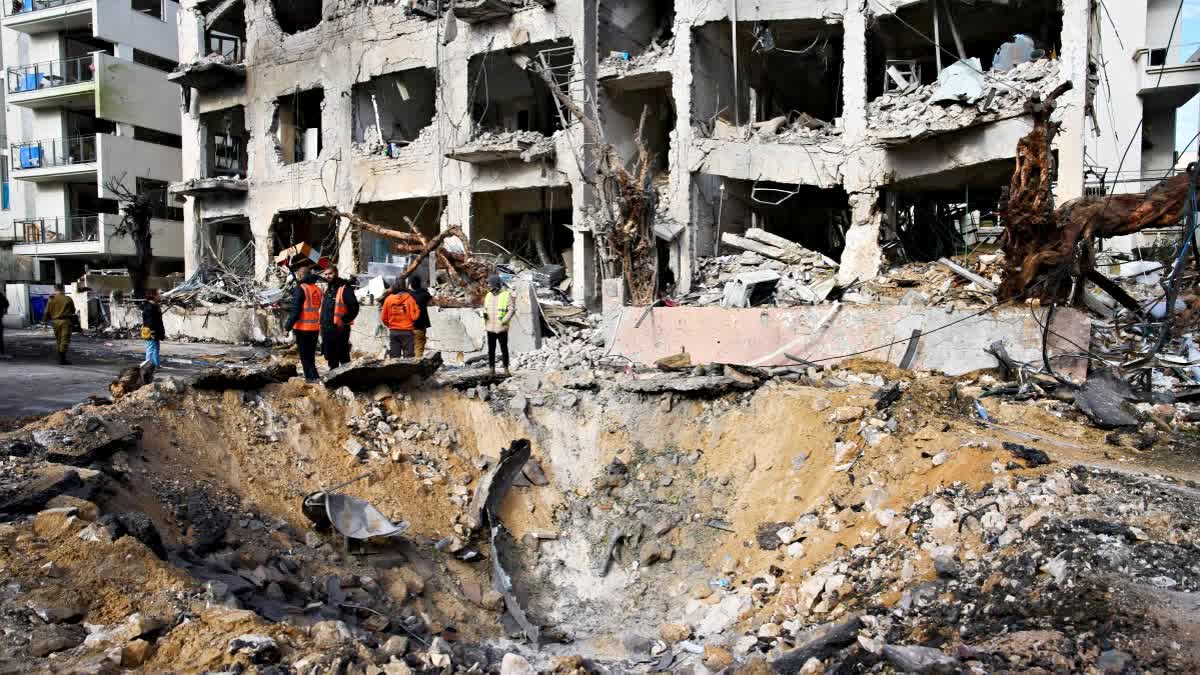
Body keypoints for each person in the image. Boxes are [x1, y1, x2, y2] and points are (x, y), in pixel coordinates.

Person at [284, 261, 323, 382]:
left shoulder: (301, 288)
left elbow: (295, 311)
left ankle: (311, 380)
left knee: (305, 357)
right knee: (310, 356)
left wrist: (287, 327)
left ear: (301, 275)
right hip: (314, 328)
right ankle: (314, 377)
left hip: (302, 328)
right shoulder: (316, 289)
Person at [319, 264, 359, 370]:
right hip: (327, 329)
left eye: (330, 274)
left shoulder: (344, 288)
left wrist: (344, 320)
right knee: (331, 357)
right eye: (326, 274)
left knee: (343, 356)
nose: (327, 276)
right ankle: (334, 380)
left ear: (336, 273)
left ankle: (348, 380)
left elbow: (354, 307)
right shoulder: (328, 289)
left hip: (340, 329)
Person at [483, 275, 514, 376]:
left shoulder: (506, 295)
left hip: (501, 328)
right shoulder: (488, 295)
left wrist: (504, 321)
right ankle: (491, 369)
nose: (488, 286)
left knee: (504, 349)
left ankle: (506, 369)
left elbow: (511, 310)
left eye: (490, 284)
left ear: (495, 284)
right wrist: (484, 319)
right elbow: (485, 309)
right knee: (491, 350)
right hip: (490, 328)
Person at [380, 277, 419, 358]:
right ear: (404, 286)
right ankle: (407, 371)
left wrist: (390, 325)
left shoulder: (388, 299)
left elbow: (383, 317)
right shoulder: (410, 299)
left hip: (394, 332)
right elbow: (414, 317)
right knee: (408, 358)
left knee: (394, 357)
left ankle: (394, 371)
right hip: (407, 332)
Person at [44, 284, 76, 365]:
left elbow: (47, 312)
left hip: (55, 322)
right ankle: (62, 359)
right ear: (63, 289)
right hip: (65, 321)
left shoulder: (51, 299)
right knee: (64, 339)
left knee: (58, 339)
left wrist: (45, 322)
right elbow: (73, 310)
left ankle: (60, 357)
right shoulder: (68, 299)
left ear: (55, 289)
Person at [408, 275, 432, 359]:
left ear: (410, 284)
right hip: (419, 326)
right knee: (419, 347)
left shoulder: (406, 295)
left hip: (406, 326)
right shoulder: (425, 295)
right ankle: (416, 366)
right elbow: (430, 297)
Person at [141, 289, 165, 369]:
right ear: (153, 296)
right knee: (151, 349)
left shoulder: (155, 306)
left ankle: (155, 365)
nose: (159, 296)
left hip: (156, 331)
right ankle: (148, 368)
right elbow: (149, 322)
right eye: (158, 295)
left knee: (156, 348)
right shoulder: (149, 307)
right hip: (151, 331)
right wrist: (152, 332)